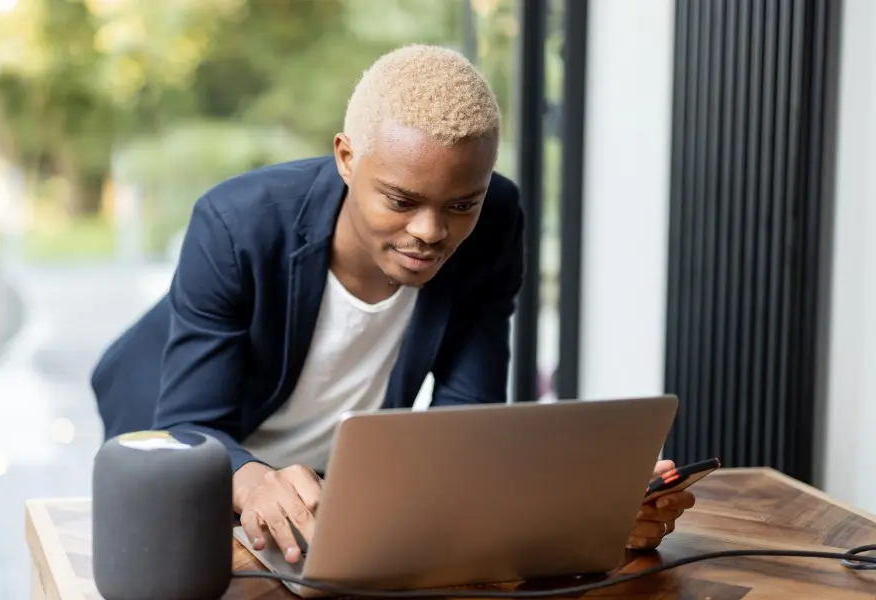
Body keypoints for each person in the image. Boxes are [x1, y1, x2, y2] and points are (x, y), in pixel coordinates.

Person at [91, 44, 694, 564]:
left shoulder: (495, 221)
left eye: (462, 203)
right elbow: (189, 426)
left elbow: (466, 421)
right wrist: (250, 481)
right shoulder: (237, 225)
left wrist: (587, 503)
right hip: (192, 456)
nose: (431, 231)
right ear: (347, 158)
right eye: (401, 200)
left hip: (332, 496)